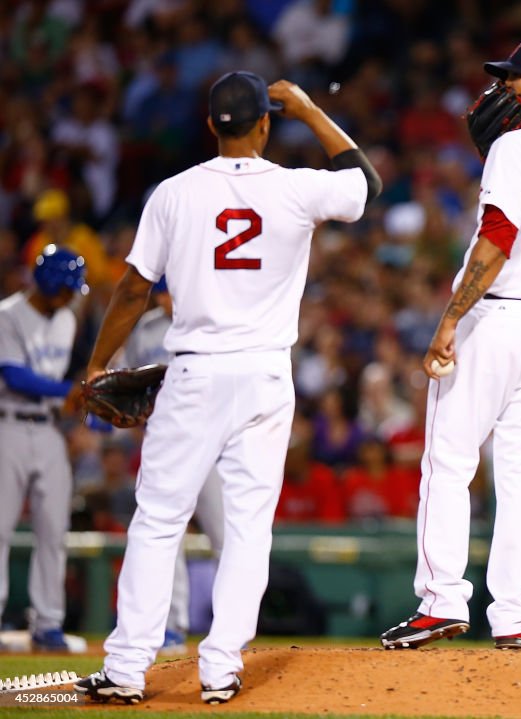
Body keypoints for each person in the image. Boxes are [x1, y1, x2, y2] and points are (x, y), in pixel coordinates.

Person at [72, 71, 380, 705]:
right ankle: (221, 668)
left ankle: (128, 669)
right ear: (264, 124)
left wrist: (98, 364)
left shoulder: (175, 193)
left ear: (212, 124)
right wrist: (312, 110)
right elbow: (364, 184)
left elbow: (135, 289)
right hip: (267, 376)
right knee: (247, 529)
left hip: (197, 372)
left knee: (159, 520)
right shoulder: (297, 189)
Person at [379, 39, 521, 651]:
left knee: (449, 461)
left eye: (515, 78)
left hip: (501, 315)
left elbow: (498, 238)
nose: (503, 89)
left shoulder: (515, 146)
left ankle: (441, 602)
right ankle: (512, 616)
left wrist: (450, 319)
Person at [120, 277, 225, 656]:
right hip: (166, 441)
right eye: (160, 292)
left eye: (170, 291)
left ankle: (234, 624)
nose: (165, 299)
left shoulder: (212, 321)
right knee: (169, 533)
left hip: (213, 441)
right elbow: (129, 382)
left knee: (226, 536)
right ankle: (171, 626)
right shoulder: (146, 330)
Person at [0, 245, 87, 651]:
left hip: (49, 429)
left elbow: (59, 388)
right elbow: (14, 376)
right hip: (8, 425)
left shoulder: (66, 319)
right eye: (68, 288)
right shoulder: (8, 315)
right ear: (50, 283)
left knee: (54, 529)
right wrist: (70, 392)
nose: (72, 296)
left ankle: (48, 621)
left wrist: (85, 407)